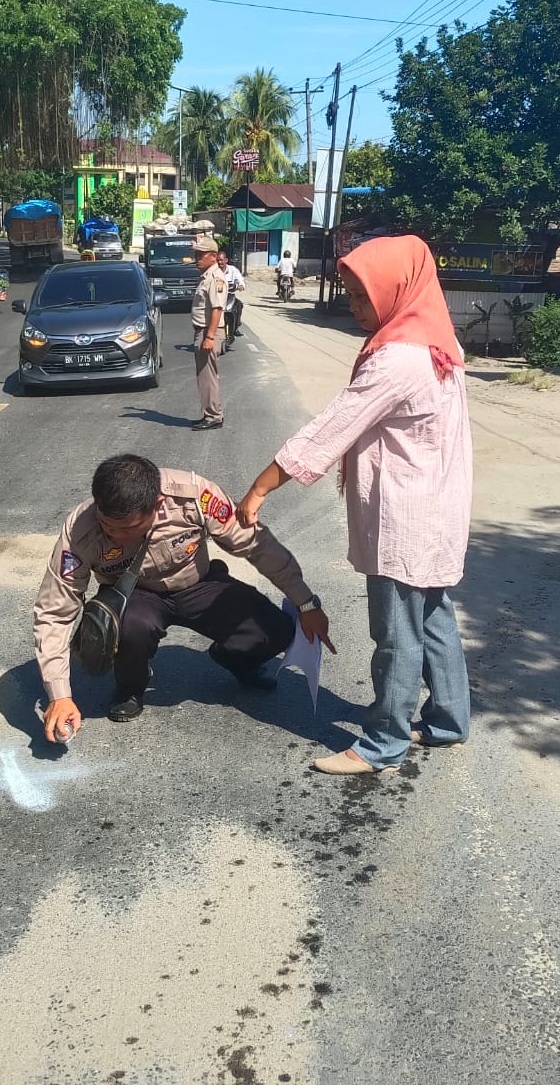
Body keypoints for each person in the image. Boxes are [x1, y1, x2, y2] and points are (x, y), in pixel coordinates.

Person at [237, 234, 473, 776]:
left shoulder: (397, 360)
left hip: (404, 520)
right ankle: (448, 721)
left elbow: (328, 432)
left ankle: (385, 743)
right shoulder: (441, 343)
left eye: (363, 295)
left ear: (397, 289)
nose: (354, 305)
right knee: (432, 617)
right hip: (436, 512)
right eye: (351, 293)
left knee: (396, 634)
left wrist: (260, 488)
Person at [34, 454, 332, 742]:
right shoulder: (81, 529)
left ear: (158, 504)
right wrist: (59, 695)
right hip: (135, 595)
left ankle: (236, 660)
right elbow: (54, 611)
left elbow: (257, 545)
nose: (114, 535)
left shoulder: (192, 496)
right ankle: (130, 687)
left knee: (276, 630)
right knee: (131, 627)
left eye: (126, 528)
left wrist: (305, 604)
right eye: (107, 524)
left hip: (197, 584)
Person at [190, 233, 228, 431]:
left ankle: (213, 416)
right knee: (205, 376)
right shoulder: (207, 276)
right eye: (196, 254)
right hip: (203, 331)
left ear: (213, 256)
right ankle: (210, 413)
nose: (197, 259)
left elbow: (217, 309)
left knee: (208, 376)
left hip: (208, 331)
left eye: (201, 255)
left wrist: (210, 337)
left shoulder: (215, 278)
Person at [218, 249, 246, 350]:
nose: (220, 262)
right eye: (218, 260)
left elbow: (241, 282)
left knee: (239, 305)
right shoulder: (214, 271)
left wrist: (240, 286)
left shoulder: (233, 270)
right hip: (217, 300)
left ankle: (236, 326)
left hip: (230, 299)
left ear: (226, 260)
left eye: (221, 260)